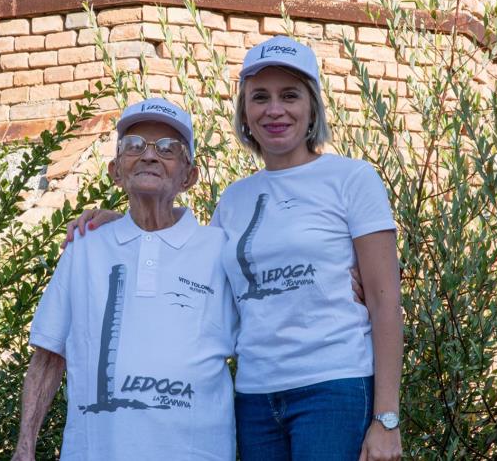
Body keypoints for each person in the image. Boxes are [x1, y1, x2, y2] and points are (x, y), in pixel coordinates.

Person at [65, 36, 403, 461]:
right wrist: (125, 217)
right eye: (260, 97)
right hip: (255, 397)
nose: (274, 110)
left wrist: (386, 418)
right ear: (245, 111)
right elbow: (191, 255)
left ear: (313, 106)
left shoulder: (353, 180)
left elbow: (386, 301)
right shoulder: (234, 199)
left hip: (332, 387)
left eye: (290, 96)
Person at [12, 99, 237, 461]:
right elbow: (49, 354)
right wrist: (25, 448)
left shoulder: (219, 249)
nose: (149, 156)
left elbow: (267, 326)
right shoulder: (84, 248)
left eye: (168, 149)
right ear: (116, 170)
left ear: (189, 176)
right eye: (134, 145)